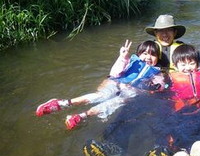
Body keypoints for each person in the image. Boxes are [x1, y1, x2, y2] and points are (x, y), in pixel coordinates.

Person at [35, 40, 164, 130]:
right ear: (139, 54)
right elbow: (114, 73)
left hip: (130, 91)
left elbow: (160, 85)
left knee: (113, 104)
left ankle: (80, 116)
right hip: (116, 82)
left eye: (153, 55)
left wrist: (157, 87)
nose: (148, 57)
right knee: (101, 96)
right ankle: (62, 103)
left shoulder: (157, 73)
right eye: (145, 53)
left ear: (158, 58)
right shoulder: (130, 60)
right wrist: (122, 57)